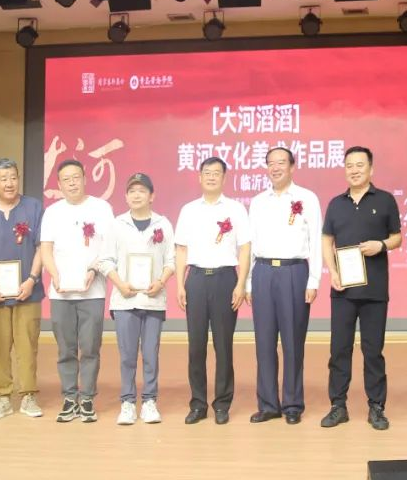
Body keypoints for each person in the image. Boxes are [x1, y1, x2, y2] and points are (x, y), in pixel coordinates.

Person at [319, 146, 401, 431]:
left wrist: (381, 245)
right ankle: (337, 406)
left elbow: (397, 238)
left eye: (360, 165)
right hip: (343, 290)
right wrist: (332, 272)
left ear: (371, 169)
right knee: (339, 350)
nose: (354, 170)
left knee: (373, 351)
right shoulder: (336, 204)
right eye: (349, 165)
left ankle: (376, 407)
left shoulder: (385, 200)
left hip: (375, 291)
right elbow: (326, 240)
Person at [246, 147, 323, 425]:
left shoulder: (307, 198)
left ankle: (292, 404)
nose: (275, 168)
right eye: (271, 163)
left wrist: (314, 279)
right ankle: (268, 404)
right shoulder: (258, 201)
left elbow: (316, 241)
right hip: (263, 272)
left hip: (294, 272)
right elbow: (251, 242)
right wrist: (248, 281)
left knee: (292, 342)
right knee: (264, 342)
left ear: (292, 166)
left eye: (281, 163)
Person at [174, 157, 251, 425]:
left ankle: (222, 404)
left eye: (216, 173)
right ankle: (198, 404)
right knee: (196, 346)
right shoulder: (188, 210)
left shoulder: (236, 209)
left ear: (224, 178)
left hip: (224, 279)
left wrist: (241, 284)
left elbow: (245, 248)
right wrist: (180, 284)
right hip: (195, 279)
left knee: (223, 346)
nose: (211, 177)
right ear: (199, 177)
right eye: (206, 172)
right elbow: (181, 249)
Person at [40, 159, 115, 423]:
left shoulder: (101, 208)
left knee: (90, 347)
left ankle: (87, 398)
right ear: (59, 184)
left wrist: (94, 269)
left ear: (85, 178)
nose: (72, 183)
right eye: (66, 179)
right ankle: (70, 397)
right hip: (61, 292)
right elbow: (46, 249)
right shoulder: (52, 212)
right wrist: (54, 275)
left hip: (92, 291)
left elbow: (109, 248)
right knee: (66, 348)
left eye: (76, 177)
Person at [98, 172, 175, 425]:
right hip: (125, 301)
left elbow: (171, 261)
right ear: (126, 196)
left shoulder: (163, 224)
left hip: (153, 300)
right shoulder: (116, 224)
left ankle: (150, 401)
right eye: (132, 191)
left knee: (151, 354)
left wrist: (160, 282)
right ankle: (128, 402)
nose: (136, 195)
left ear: (152, 196)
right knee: (127, 355)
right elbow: (105, 260)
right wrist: (120, 284)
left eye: (142, 191)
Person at [0, 158, 45, 420]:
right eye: (3, 179)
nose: (9, 183)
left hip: (28, 292)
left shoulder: (34, 207)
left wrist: (32, 279)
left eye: (13, 177)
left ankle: (28, 395)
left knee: (27, 347)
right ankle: (2, 397)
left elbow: (41, 247)